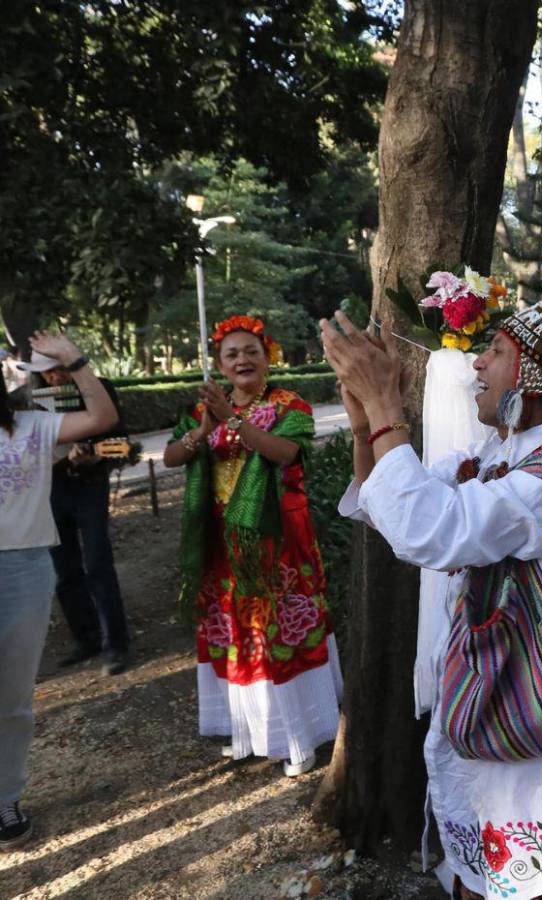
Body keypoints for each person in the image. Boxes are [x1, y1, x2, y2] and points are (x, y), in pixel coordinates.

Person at [324, 299, 542, 900]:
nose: (477, 363)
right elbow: (389, 509)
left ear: (534, 377)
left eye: (496, 351)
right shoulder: (497, 455)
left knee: (533, 878)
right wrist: (367, 417)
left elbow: (432, 530)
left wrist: (387, 406)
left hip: (533, 713)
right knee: (480, 865)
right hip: (490, 692)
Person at [162, 314, 341, 778]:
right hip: (222, 543)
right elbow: (170, 457)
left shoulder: (289, 404)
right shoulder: (204, 409)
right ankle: (248, 733)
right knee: (237, 633)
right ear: (220, 364)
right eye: (232, 354)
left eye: (251, 352)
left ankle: (298, 738)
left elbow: (285, 453)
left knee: (278, 631)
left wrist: (231, 419)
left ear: (269, 356)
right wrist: (202, 431)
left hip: (278, 539)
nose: (242, 359)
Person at [1, 331, 118, 851]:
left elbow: (103, 419)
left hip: (23, 570)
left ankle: (5, 796)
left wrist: (76, 361)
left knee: (11, 699)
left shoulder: (33, 427)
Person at [21, 351, 131, 675]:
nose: (56, 378)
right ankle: (86, 638)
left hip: (90, 488)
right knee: (63, 570)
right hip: (51, 490)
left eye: (60, 369)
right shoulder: (31, 402)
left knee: (98, 564)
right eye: (48, 373)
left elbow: (124, 445)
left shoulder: (100, 390)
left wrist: (93, 455)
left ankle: (116, 645)